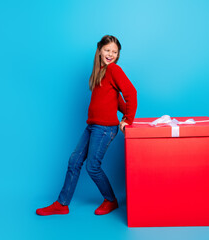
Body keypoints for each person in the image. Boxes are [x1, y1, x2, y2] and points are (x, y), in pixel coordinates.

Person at [36, 35, 137, 216]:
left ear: (118, 55)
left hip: (105, 129)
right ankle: (62, 204)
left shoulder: (114, 69)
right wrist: (123, 111)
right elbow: (117, 101)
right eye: (107, 50)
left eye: (114, 52)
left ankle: (111, 200)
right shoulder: (100, 72)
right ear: (99, 51)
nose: (110, 54)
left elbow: (131, 92)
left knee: (92, 166)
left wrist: (127, 120)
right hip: (92, 126)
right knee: (74, 161)